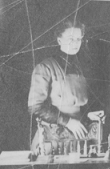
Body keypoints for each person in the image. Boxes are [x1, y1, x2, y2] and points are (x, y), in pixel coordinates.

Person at [27, 20, 99, 151]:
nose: (75, 43)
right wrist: (68, 122)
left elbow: (78, 104)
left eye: (79, 39)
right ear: (59, 40)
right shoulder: (45, 67)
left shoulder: (82, 68)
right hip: (52, 137)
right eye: (70, 39)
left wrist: (89, 115)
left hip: (77, 136)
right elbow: (35, 107)